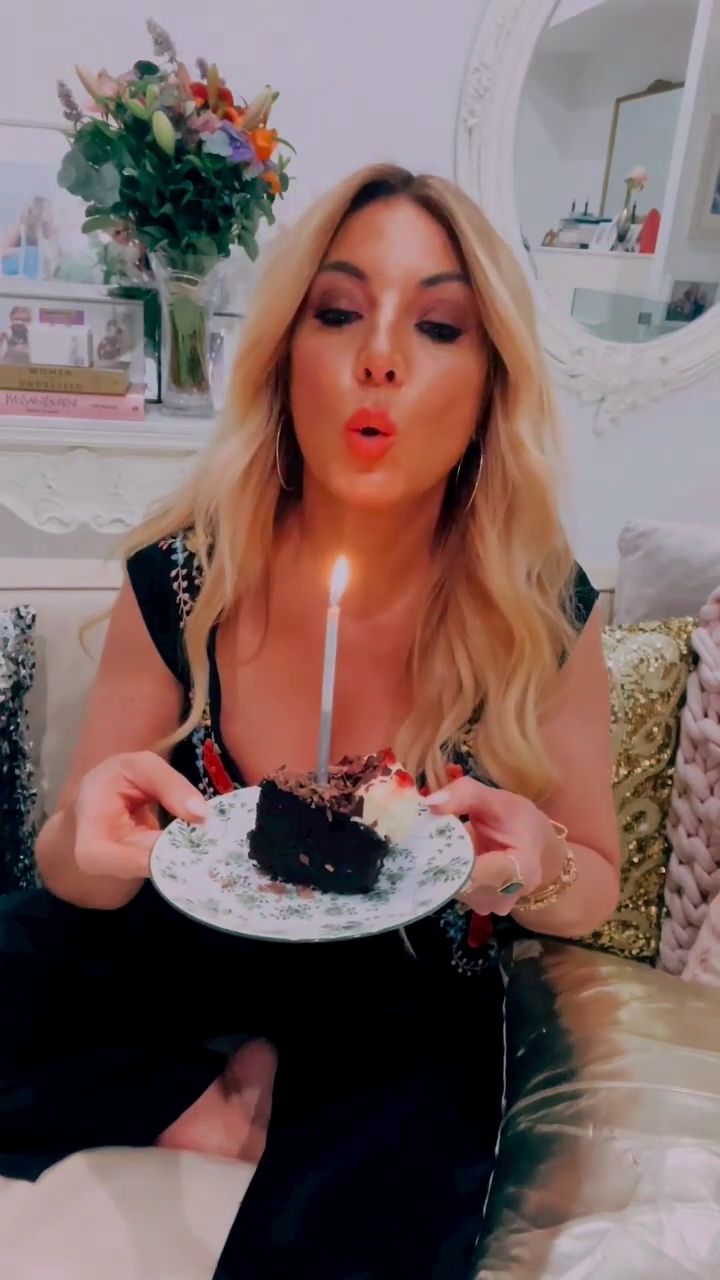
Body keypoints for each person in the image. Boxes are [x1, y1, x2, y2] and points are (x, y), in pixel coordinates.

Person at [0, 164, 620, 1279]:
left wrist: (536, 865)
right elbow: (77, 868)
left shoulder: (540, 611)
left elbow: (594, 883)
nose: (379, 356)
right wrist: (85, 836)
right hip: (170, 971)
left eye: (438, 326)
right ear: (285, 354)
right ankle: (210, 1099)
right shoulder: (186, 577)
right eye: (338, 312)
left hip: (402, 1008)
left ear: (491, 385)